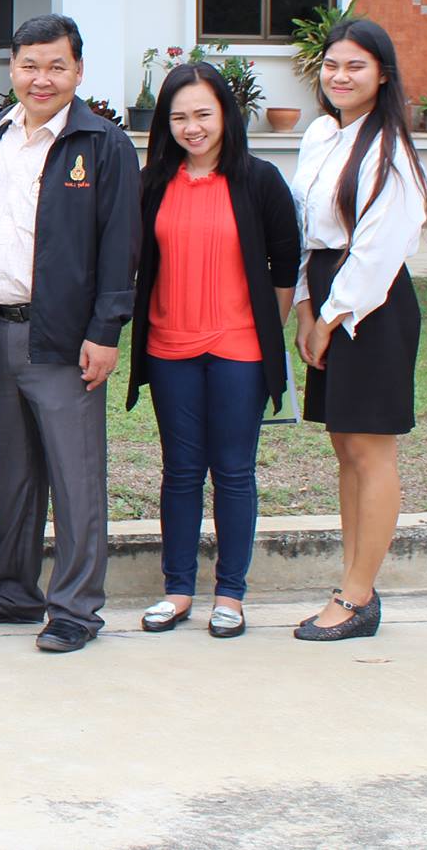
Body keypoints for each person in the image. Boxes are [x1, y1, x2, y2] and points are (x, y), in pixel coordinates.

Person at [0, 14, 138, 654]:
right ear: (12, 69)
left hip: (65, 338)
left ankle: (76, 609)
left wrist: (105, 330)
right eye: (29, 65)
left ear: (79, 71)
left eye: (57, 66)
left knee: (75, 478)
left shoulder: (102, 144)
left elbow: (120, 245)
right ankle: (12, 592)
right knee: (12, 475)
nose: (42, 78)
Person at [126, 61, 301, 639]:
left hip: (238, 350)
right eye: (179, 117)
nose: (192, 127)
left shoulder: (259, 180)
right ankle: (177, 590)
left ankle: (231, 595)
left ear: (226, 114)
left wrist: (266, 330)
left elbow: (285, 263)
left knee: (232, 471)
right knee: (180, 471)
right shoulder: (152, 183)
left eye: (203, 114)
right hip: (169, 346)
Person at [290, 17, 427, 641]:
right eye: (332, 65)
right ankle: (351, 581)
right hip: (327, 292)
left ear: (383, 75)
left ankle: (357, 595)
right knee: (344, 446)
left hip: (371, 306)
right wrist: (305, 308)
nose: (340, 76)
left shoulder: (390, 149)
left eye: (355, 66)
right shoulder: (322, 134)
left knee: (371, 450)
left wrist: (332, 316)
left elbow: (378, 250)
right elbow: (304, 228)